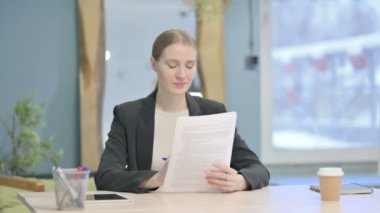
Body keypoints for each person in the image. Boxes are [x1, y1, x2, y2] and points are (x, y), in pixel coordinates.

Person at [95, 29, 270, 193]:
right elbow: (105, 177)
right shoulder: (128, 115)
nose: (182, 75)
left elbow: (259, 170)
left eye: (190, 65)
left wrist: (240, 181)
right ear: (154, 64)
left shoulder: (214, 111)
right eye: (172, 65)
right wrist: (155, 179)